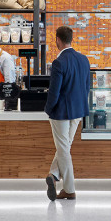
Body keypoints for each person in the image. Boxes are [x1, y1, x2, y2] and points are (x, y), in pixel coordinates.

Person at [44, 26, 90, 201]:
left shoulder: (59, 62)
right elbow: (87, 87)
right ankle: (54, 175)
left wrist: (48, 109)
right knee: (65, 146)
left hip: (61, 112)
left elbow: (53, 92)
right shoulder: (84, 59)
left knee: (63, 148)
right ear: (71, 39)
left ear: (58, 40)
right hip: (78, 111)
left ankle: (69, 190)